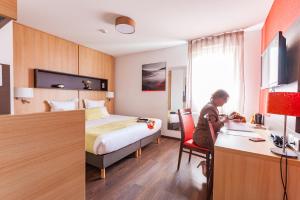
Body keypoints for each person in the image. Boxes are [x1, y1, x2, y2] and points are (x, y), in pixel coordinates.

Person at [193, 89, 229, 176]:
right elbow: (212, 127)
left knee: (224, 143)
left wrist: (221, 118)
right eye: (224, 99)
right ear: (218, 97)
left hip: (203, 135)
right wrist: (223, 121)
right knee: (223, 148)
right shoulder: (210, 108)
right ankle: (210, 169)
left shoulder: (212, 106)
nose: (225, 102)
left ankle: (210, 166)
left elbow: (213, 121)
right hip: (202, 138)